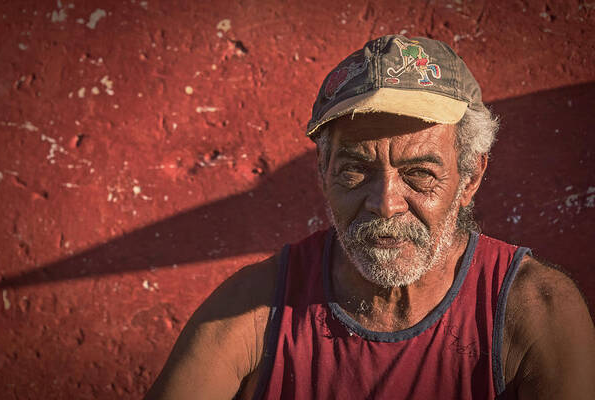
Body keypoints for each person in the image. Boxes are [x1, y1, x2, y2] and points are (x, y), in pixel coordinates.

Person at [145, 35, 595, 399]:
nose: (385, 203)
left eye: (419, 174)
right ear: (323, 173)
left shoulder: (536, 311)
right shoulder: (253, 309)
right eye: (355, 170)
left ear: (470, 177)